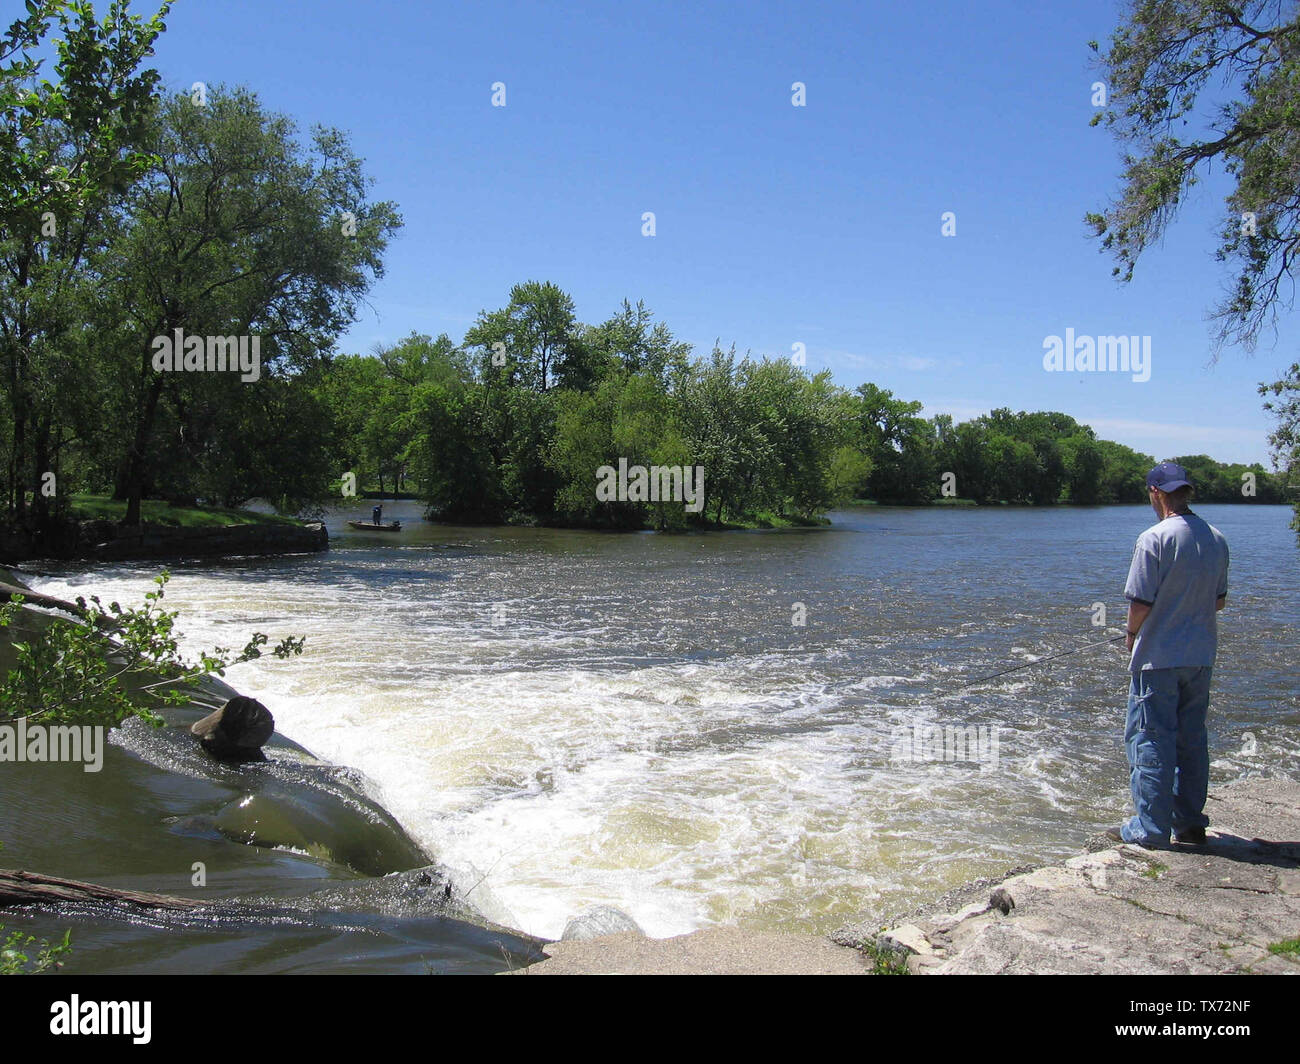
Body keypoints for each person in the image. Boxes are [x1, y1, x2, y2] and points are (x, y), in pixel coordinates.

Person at [1109, 462, 1229, 849]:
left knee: (1150, 739)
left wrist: (1130, 635)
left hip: (1158, 659)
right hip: (1200, 658)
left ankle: (1151, 830)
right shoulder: (1216, 538)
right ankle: (1190, 824)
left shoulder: (1153, 538)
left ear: (1156, 493)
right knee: (1192, 740)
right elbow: (1219, 601)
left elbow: (1140, 602)